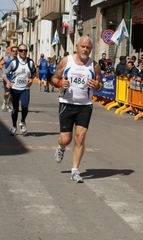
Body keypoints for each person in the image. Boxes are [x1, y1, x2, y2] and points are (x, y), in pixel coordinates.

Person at [52, 36, 103, 183]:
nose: (85, 49)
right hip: (67, 104)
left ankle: (75, 170)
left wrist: (97, 86)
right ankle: (61, 147)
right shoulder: (66, 61)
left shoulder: (94, 66)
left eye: (88, 47)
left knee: (80, 137)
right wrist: (60, 83)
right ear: (77, 47)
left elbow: (100, 85)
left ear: (91, 49)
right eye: (83, 46)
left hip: (85, 105)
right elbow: (54, 78)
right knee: (65, 139)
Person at [2, 44, 36, 135]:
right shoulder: (14, 62)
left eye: (25, 50)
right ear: (18, 51)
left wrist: (31, 79)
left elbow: (33, 73)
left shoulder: (30, 62)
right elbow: (4, 74)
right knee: (15, 110)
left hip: (25, 89)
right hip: (15, 89)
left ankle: (23, 122)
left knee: (25, 107)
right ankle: (14, 126)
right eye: (21, 50)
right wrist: (8, 82)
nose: (23, 52)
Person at [0, 46, 17, 112]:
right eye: (13, 51)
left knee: (12, 94)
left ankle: (9, 106)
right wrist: (3, 69)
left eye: (16, 51)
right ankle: (4, 101)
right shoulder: (6, 58)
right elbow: (1, 64)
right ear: (11, 51)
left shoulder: (18, 60)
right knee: (7, 93)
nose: (15, 52)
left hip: (14, 79)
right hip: (7, 78)